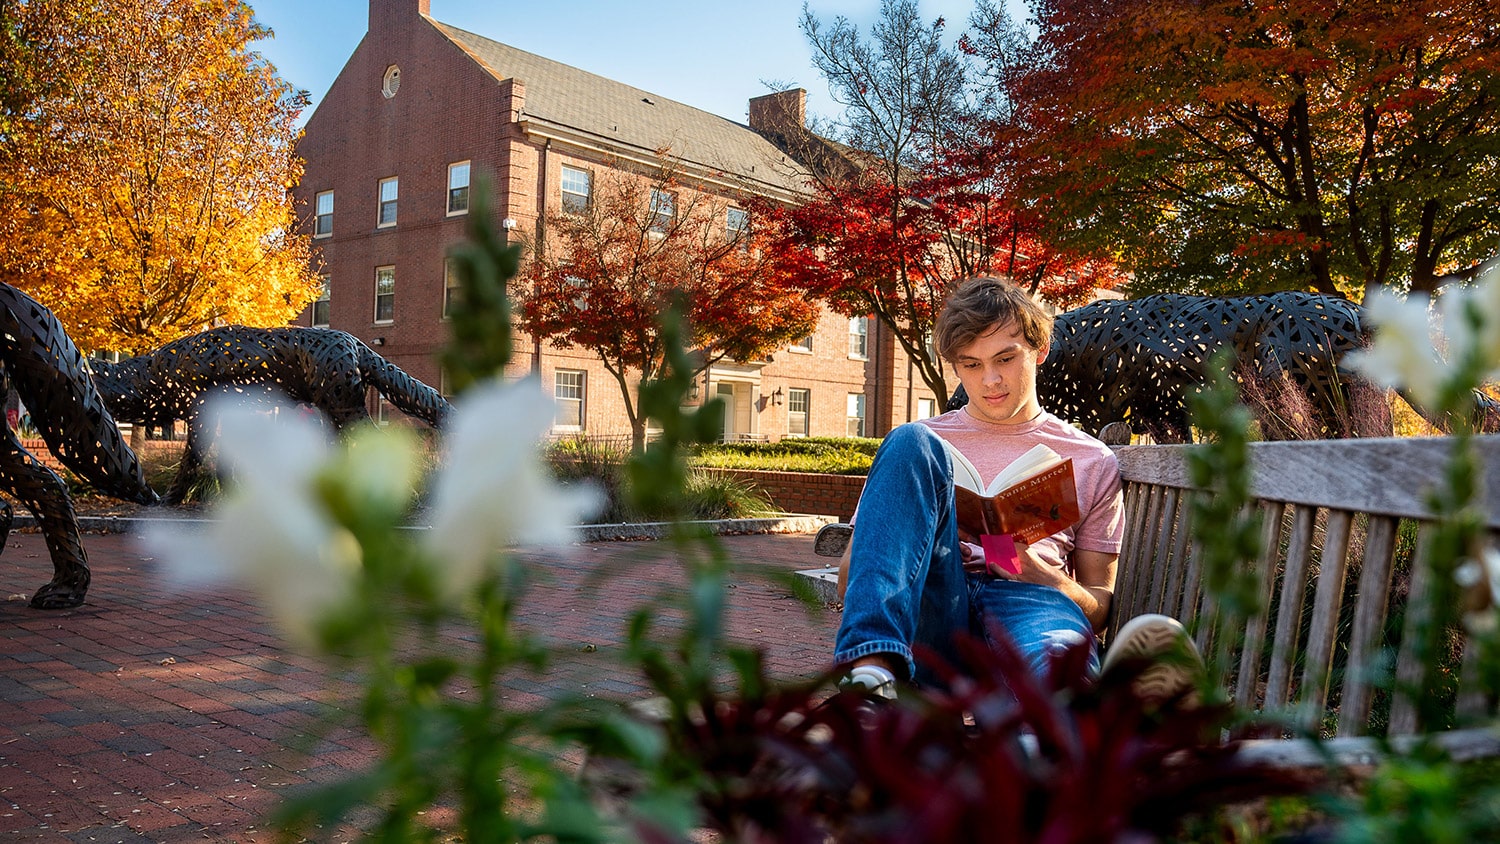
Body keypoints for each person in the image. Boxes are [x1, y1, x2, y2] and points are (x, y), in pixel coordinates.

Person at [835, 277, 1192, 700]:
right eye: (971, 364)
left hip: (1028, 600)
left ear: (1039, 351)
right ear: (955, 366)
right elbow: (848, 583)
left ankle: (1078, 717)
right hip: (934, 612)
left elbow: (1099, 609)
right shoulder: (917, 448)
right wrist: (929, 533)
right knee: (910, 441)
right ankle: (871, 680)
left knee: (1054, 649)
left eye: (1005, 358)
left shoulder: (1091, 459)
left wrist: (1044, 575)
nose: (990, 381)